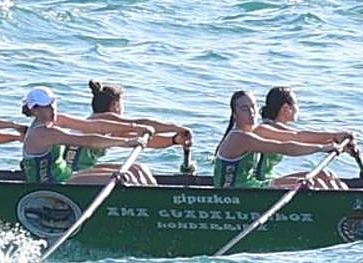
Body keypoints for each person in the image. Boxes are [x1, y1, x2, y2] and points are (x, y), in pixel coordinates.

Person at [64, 79, 192, 185]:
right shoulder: (102, 119)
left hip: (83, 170)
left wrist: (174, 140)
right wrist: (176, 128)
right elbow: (142, 124)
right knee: (129, 176)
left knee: (139, 169)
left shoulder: (109, 129)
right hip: (69, 176)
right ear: (116, 106)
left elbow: (146, 140)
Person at [213, 90, 343, 189]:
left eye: (253, 106)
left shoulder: (256, 131)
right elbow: (286, 147)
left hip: (255, 186)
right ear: (235, 115)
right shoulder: (239, 137)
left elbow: (296, 136)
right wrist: (322, 148)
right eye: (244, 109)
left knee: (323, 176)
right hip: (239, 194)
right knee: (315, 184)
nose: (252, 112)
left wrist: (335, 139)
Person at [19, 86, 146, 185]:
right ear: (34, 110)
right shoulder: (41, 133)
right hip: (52, 185)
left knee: (136, 169)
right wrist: (125, 142)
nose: (52, 109)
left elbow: (91, 126)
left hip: (68, 175)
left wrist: (134, 127)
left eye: (53, 103)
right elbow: (86, 141)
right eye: (46, 107)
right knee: (126, 178)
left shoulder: (56, 119)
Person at [253, 86, 353, 190]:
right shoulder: (263, 130)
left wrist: (339, 143)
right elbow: (296, 137)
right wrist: (334, 137)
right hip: (259, 183)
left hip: (271, 177)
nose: (298, 108)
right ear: (286, 108)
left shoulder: (277, 128)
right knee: (316, 184)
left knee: (325, 175)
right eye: (296, 104)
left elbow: (299, 136)